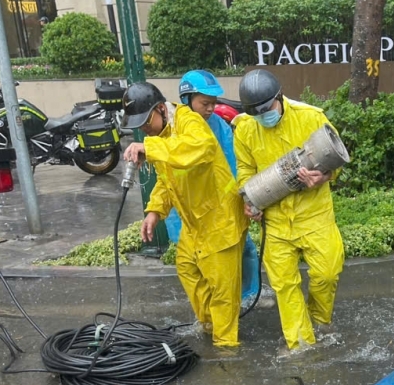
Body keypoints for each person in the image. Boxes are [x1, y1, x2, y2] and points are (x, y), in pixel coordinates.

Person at [121, 82, 247, 349]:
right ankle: (211, 325)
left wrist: (151, 148)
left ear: (160, 109)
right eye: (139, 125)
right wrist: (154, 211)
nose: (144, 129)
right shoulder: (162, 136)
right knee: (187, 268)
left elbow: (201, 147)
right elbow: (166, 180)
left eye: (146, 122)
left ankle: (226, 348)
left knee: (223, 289)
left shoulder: (188, 120)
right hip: (195, 222)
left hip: (220, 218)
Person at [233, 69, 344, 356]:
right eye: (256, 113)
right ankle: (300, 344)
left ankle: (319, 321)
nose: (263, 116)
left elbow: (338, 161)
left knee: (327, 273)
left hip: (314, 215)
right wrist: (250, 199)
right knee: (284, 285)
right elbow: (244, 169)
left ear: (279, 96)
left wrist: (323, 177)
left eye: (266, 109)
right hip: (275, 220)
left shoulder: (311, 118)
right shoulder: (245, 128)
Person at [176, 69, 272, 311]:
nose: (211, 108)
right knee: (202, 261)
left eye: (213, 102)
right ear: (187, 99)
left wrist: (244, 197)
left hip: (226, 203)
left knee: (244, 248)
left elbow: (235, 163)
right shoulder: (177, 130)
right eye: (205, 103)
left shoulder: (219, 125)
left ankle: (248, 294)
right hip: (197, 210)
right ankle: (212, 309)